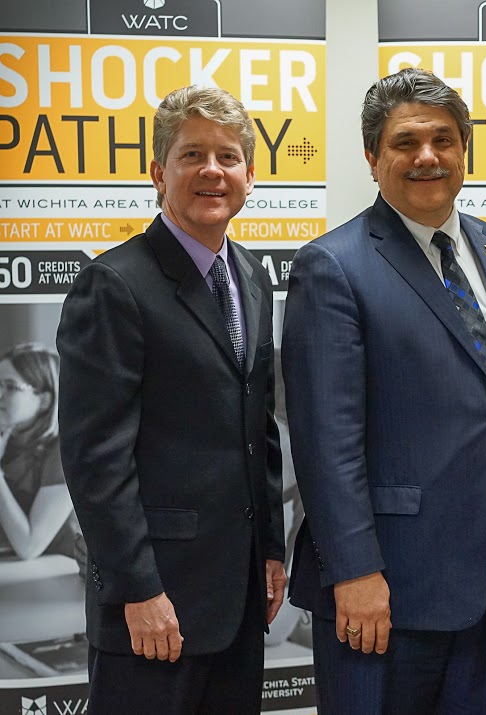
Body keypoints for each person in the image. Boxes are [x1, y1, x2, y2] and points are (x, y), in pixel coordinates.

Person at [282, 67, 486, 714]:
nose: (427, 156)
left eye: (443, 139)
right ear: (372, 157)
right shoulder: (333, 266)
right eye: (405, 142)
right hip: (385, 590)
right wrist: (353, 570)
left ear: (464, 150)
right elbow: (325, 440)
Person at [56, 85, 286, 714]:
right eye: (192, 156)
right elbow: (95, 459)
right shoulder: (114, 284)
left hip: (236, 601)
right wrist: (138, 590)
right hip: (154, 605)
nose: (213, 171)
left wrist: (269, 547)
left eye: (229, 156)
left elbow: (255, 427)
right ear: (158, 172)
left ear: (250, 175)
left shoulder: (251, 276)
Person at [0, 344, 82, 566]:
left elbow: (29, 546)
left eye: (11, 387)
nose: (0, 394)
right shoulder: (7, 440)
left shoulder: (64, 450)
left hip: (60, 575)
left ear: (44, 400)